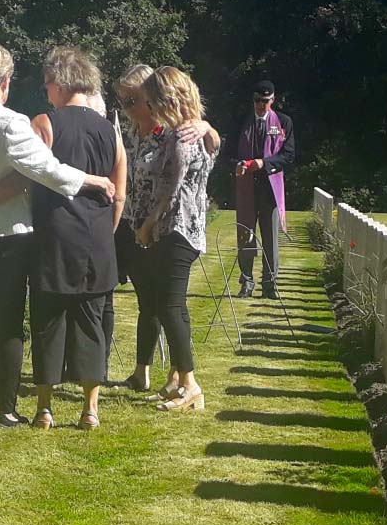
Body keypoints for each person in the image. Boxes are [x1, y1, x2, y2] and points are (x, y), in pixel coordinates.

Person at [0, 42, 115, 427]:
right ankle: (5, 407)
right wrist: (90, 180)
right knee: (10, 321)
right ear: (6, 80)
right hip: (9, 235)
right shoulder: (11, 123)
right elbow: (45, 168)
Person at [28, 46, 126, 430]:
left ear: (58, 83)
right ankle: (90, 408)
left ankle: (45, 409)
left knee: (48, 321)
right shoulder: (110, 131)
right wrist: (108, 229)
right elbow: (120, 191)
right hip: (97, 238)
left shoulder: (44, 124)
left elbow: (31, 180)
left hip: (53, 235)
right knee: (91, 321)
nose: (46, 90)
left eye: (47, 83)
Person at [111, 65, 219, 392]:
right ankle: (142, 371)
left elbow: (177, 182)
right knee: (148, 302)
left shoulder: (177, 132)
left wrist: (209, 128)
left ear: (152, 99)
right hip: (132, 222)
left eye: (133, 100)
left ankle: (180, 377)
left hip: (163, 226)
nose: (127, 108)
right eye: (123, 101)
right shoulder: (128, 132)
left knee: (168, 303)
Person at [227, 80, 296, 299]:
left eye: (265, 101)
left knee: (270, 239)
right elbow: (227, 154)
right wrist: (236, 164)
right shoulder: (240, 121)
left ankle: (270, 284)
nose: (261, 105)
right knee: (245, 237)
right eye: (257, 100)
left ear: (273, 100)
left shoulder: (283, 122)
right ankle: (246, 282)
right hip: (246, 188)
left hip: (270, 190)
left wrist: (264, 164)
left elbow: (289, 155)